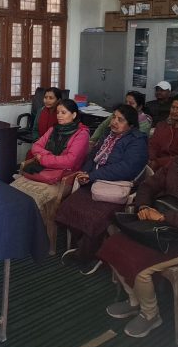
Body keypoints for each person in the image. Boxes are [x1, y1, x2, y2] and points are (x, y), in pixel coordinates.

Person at [97, 120, 178, 338]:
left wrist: (163, 217)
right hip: (158, 229)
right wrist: (143, 206)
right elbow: (149, 185)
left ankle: (150, 314)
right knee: (113, 246)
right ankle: (134, 300)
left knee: (141, 268)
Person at [55, 103, 149, 272]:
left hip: (114, 187)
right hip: (95, 182)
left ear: (131, 125)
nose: (114, 122)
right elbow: (93, 156)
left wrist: (93, 175)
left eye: (120, 120)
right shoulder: (108, 134)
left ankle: (90, 256)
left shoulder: (137, 141)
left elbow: (126, 169)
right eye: (114, 117)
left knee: (94, 217)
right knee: (69, 207)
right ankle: (82, 246)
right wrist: (85, 172)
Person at [11, 98, 90, 219]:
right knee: (12, 194)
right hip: (43, 170)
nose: (59, 116)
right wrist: (50, 157)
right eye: (57, 112)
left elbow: (69, 161)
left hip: (64, 176)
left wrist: (43, 159)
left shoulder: (81, 134)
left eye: (63, 112)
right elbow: (36, 146)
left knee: (31, 204)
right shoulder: (53, 129)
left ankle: (37, 228)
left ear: (74, 115)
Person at [148, 93, 178, 171]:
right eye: (173, 107)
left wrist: (158, 162)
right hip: (154, 166)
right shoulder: (162, 125)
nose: (174, 111)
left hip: (177, 169)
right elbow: (152, 145)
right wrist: (151, 159)